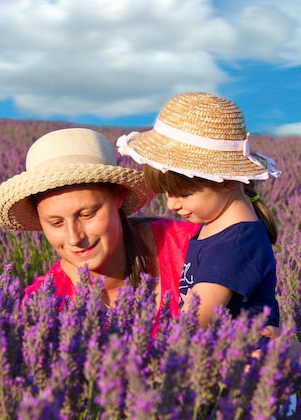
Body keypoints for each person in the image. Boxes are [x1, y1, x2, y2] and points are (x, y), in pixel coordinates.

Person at [0, 127, 199, 319]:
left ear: (119, 196)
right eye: (56, 223)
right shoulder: (44, 303)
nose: (74, 238)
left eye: (87, 214)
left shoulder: (193, 246)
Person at [117, 91, 282, 334]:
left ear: (226, 180)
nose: (171, 205)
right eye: (166, 193)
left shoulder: (232, 246)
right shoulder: (221, 225)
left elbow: (192, 326)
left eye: (183, 194)